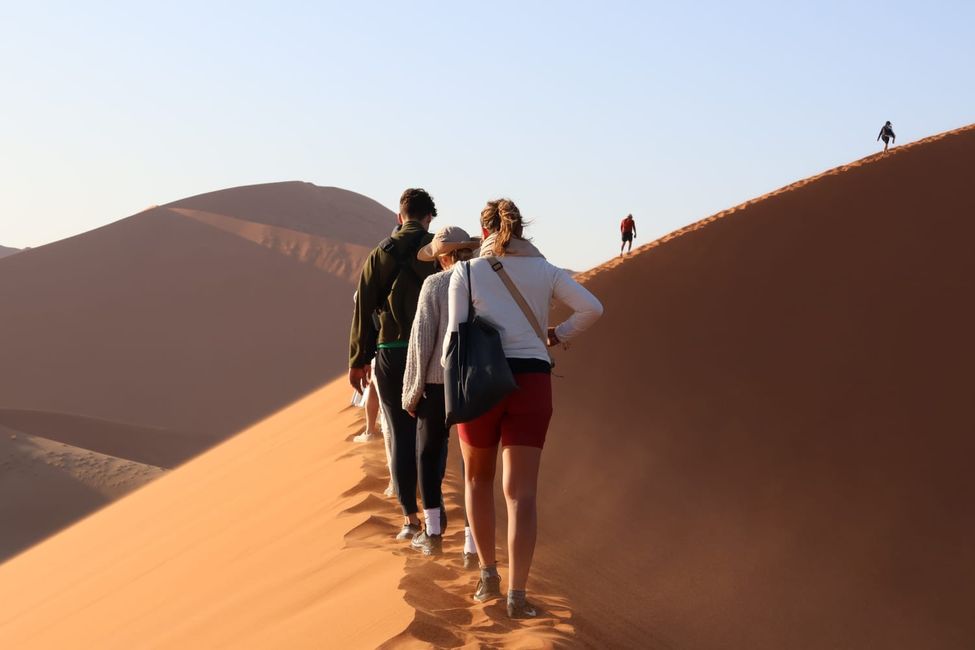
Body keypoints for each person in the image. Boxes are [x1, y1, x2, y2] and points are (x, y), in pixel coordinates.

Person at [444, 198, 603, 618]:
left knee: (478, 481)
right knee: (522, 495)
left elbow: (454, 337)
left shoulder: (466, 272)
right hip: (532, 383)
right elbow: (593, 308)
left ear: (484, 234)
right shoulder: (545, 270)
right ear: (521, 230)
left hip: (481, 383)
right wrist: (557, 333)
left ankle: (487, 577)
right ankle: (518, 595)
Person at [349, 188, 438, 540]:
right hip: (433, 352)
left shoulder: (379, 253)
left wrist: (358, 359)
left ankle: (409, 519)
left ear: (400, 217)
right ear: (429, 217)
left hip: (390, 351)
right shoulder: (440, 250)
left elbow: (363, 307)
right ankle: (435, 517)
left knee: (400, 433)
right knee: (433, 435)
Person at [402, 226, 481, 560]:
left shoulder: (433, 284)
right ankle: (472, 542)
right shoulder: (483, 281)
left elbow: (422, 340)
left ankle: (432, 531)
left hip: (436, 384)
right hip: (473, 384)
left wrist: (411, 391)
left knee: (428, 454)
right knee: (471, 463)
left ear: (444, 256)